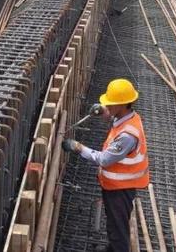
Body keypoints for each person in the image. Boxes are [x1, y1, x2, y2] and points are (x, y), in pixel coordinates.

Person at [62, 79, 149, 252]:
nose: (107, 105)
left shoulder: (128, 136)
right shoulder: (128, 116)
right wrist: (103, 110)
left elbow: (104, 159)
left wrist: (78, 147)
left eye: (111, 103)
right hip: (115, 186)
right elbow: (115, 117)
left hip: (120, 189)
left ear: (123, 104)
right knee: (114, 224)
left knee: (118, 230)